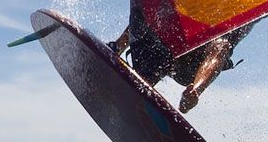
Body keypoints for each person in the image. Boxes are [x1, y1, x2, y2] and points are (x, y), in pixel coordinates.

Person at [108, 19, 256, 113]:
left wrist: (194, 91)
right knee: (154, 11)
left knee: (221, 45)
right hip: (167, 48)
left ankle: (192, 95)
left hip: (193, 69)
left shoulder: (246, 0)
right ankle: (118, 48)